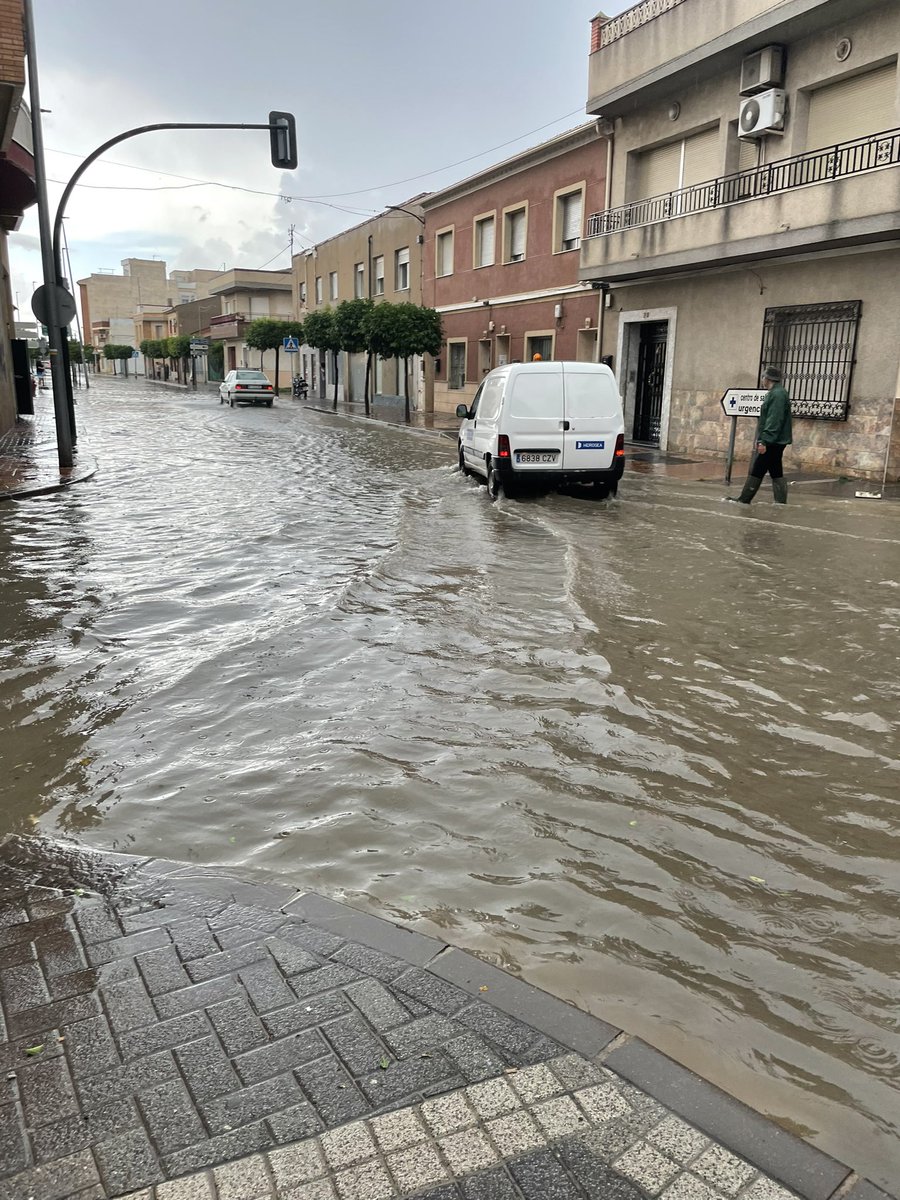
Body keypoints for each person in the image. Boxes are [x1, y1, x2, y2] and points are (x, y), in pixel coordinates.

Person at [731, 367, 793, 504]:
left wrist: (764, 440)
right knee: (775, 469)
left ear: (767, 378)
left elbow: (774, 419)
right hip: (777, 439)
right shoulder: (776, 393)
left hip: (773, 440)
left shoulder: (777, 394)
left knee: (758, 467)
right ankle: (780, 503)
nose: (762, 380)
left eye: (763, 377)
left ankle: (744, 499)